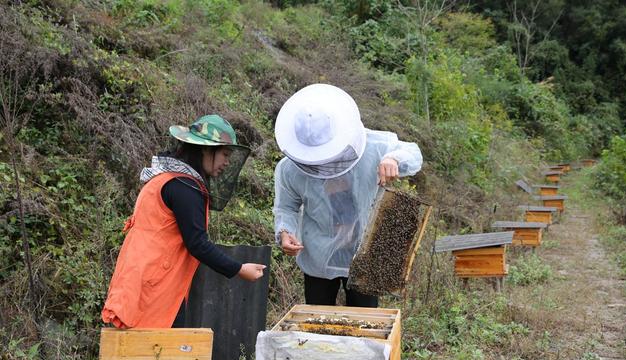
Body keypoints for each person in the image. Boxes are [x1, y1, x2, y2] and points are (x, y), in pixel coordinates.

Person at [102, 114, 266, 329]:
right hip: (153, 289)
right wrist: (238, 269)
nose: (227, 163)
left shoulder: (167, 178)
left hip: (141, 282)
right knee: (156, 358)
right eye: (225, 154)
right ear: (206, 149)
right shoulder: (183, 187)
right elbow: (197, 243)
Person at [273, 84, 423, 308]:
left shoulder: (374, 146)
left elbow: (413, 153)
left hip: (365, 252)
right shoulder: (290, 168)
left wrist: (394, 159)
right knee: (317, 322)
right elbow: (286, 207)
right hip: (319, 255)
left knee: (364, 325)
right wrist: (285, 232)